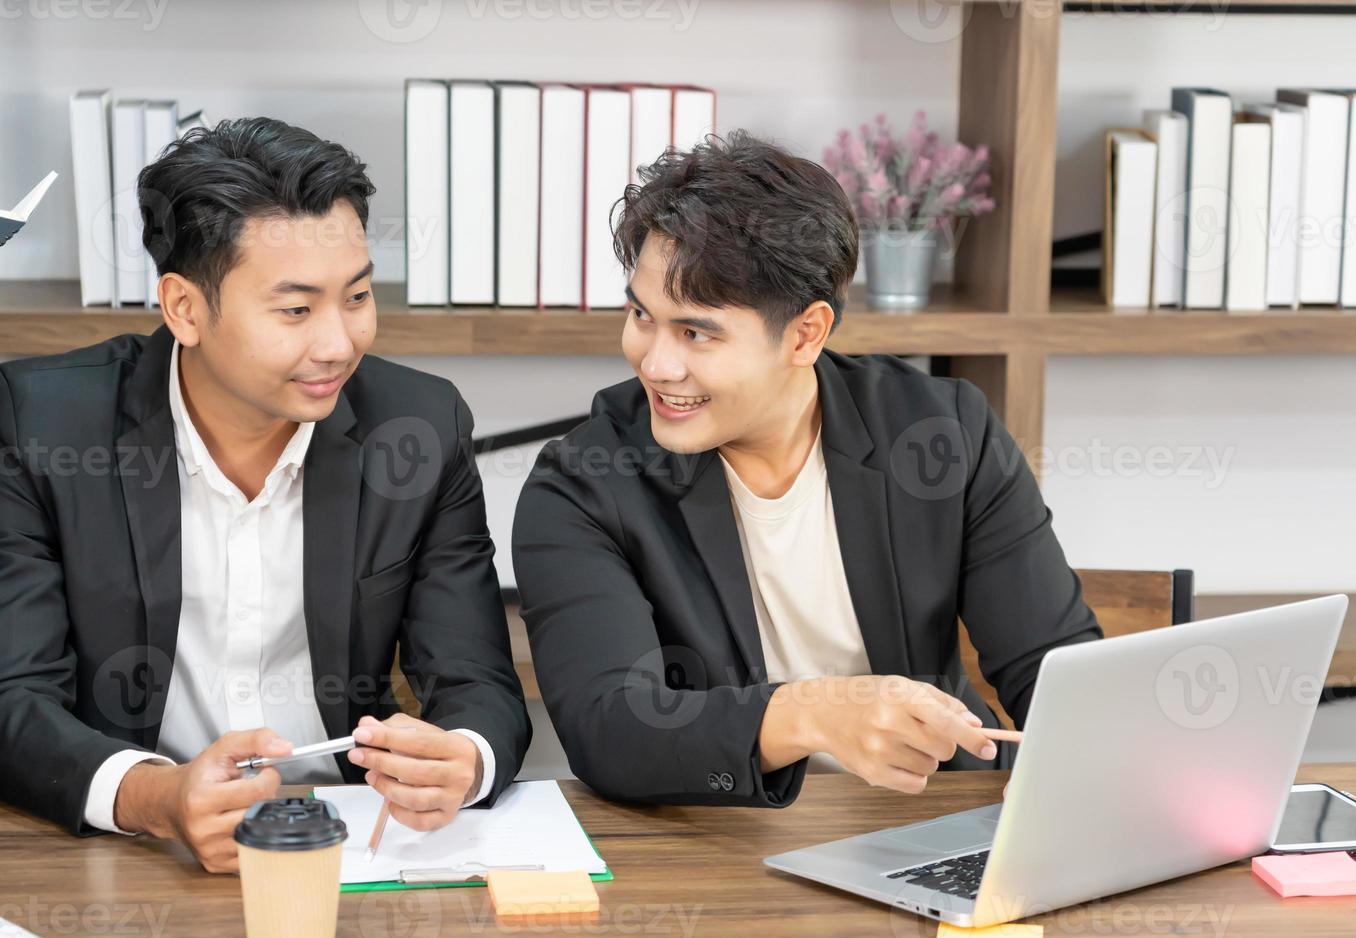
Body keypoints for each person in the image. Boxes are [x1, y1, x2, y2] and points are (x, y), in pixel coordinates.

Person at [0, 118, 530, 871]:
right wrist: (157, 797)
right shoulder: (43, 425)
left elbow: (478, 681)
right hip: (131, 849)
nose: (339, 342)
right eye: (295, 310)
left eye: (357, 295)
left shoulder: (417, 427)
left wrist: (463, 759)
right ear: (184, 308)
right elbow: (14, 699)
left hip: (350, 842)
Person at [512, 132, 1101, 808]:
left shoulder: (941, 435)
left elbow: (1055, 674)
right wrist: (813, 714)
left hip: (921, 823)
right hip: (716, 853)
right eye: (642, 316)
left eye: (696, 333)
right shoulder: (582, 485)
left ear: (806, 333)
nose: (655, 363)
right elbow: (610, 730)